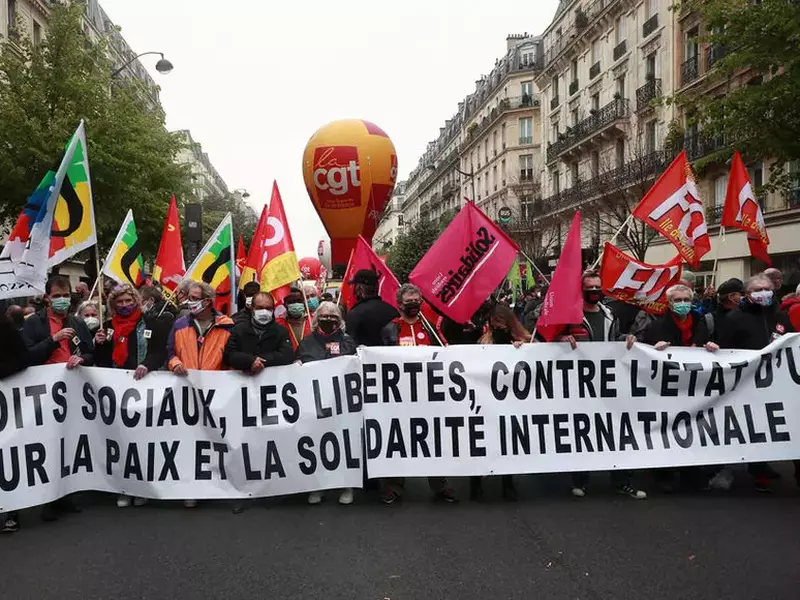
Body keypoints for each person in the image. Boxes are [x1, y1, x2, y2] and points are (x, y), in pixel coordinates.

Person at [552, 272, 645, 500]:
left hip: (608, 382)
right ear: (581, 289)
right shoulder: (571, 315)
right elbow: (550, 338)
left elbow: (615, 338)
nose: (594, 291)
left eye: (597, 287)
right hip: (579, 383)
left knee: (617, 431)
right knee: (582, 431)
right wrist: (560, 339)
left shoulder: (609, 314)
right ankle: (580, 481)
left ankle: (622, 481)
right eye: (589, 287)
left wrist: (627, 339)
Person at [22, 275, 94, 520]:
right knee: (49, 444)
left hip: (71, 390)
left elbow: (89, 351)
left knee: (70, 442)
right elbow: (27, 355)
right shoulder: (35, 323)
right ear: (46, 298)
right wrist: (53, 340)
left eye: (65, 295)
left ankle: (66, 495)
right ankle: (49, 499)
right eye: (57, 296)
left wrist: (82, 357)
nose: (62, 300)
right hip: (43, 393)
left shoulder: (76, 321)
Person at [379, 283, 456, 504]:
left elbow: (446, 351)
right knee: (399, 438)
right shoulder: (390, 329)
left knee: (433, 438)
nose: (413, 304)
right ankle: (394, 485)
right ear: (399, 304)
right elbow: (380, 359)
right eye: (409, 301)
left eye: (416, 301)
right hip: (400, 396)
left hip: (428, 393)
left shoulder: (429, 326)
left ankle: (440, 484)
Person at [718, 273, 794, 492]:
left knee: (777, 421)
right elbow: (725, 349)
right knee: (754, 424)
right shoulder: (734, 318)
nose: (763, 293)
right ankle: (758, 470)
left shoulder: (780, 317)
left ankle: (770, 465)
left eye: (766, 289)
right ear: (748, 294)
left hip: (777, 379)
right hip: (747, 381)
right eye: (757, 290)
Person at [639, 284, 719, 492]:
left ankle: (690, 473)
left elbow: (716, 344)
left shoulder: (704, 323)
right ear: (669, 303)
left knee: (692, 428)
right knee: (666, 428)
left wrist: (712, 346)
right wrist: (653, 349)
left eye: (686, 300)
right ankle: (663, 473)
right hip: (666, 387)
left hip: (694, 387)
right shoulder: (656, 327)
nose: (683, 304)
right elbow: (642, 354)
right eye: (677, 300)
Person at [224, 291, 294, 513]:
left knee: (271, 440)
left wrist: (262, 362)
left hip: (271, 395)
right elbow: (229, 354)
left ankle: (272, 490)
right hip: (243, 395)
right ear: (251, 308)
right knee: (243, 443)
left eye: (268, 308)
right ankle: (241, 492)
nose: (264, 312)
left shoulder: (280, 331)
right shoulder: (239, 329)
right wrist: (249, 361)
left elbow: (287, 355)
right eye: (260, 308)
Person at [167, 281, 234, 507]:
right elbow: (169, 352)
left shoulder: (227, 326)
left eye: (195, 298)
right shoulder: (179, 325)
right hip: (186, 390)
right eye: (189, 297)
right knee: (189, 440)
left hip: (217, 392)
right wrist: (175, 363)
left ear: (207, 301)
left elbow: (231, 356)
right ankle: (191, 488)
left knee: (216, 439)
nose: (190, 301)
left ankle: (218, 483)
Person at [93, 285, 158, 507]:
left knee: (141, 440)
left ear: (136, 301)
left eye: (128, 301)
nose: (124, 305)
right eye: (119, 302)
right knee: (119, 440)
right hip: (117, 389)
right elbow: (101, 361)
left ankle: (142, 487)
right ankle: (123, 487)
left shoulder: (148, 323)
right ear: (113, 304)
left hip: (143, 387)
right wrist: (99, 344)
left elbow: (158, 350)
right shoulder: (107, 326)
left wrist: (147, 364)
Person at [295, 302, 358, 506]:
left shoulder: (348, 342)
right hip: (315, 403)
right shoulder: (306, 343)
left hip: (342, 403)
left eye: (333, 316)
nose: (329, 319)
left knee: (343, 443)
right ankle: (318, 485)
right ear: (316, 319)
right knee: (316, 443)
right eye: (324, 315)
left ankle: (346, 484)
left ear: (340, 321)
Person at [471, 304, 529, 502]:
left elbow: (535, 357)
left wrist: (523, 349)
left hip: (510, 400)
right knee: (481, 440)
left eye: (501, 325)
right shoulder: (482, 341)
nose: (497, 328)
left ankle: (507, 483)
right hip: (487, 398)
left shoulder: (521, 339)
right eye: (494, 325)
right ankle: (476, 483)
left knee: (507, 441)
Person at [0, 311, 29, 533]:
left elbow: (23, 359)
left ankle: (12, 512)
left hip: (7, 401)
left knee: (7, 455)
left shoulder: (8, 332)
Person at [345, 269, 399, 347]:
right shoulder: (392, 310)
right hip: (391, 354)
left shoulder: (355, 313)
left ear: (359, 288)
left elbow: (350, 345)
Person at [707, 278, 744, 343]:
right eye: (741, 294)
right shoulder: (709, 320)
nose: (744, 297)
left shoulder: (747, 315)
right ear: (731, 297)